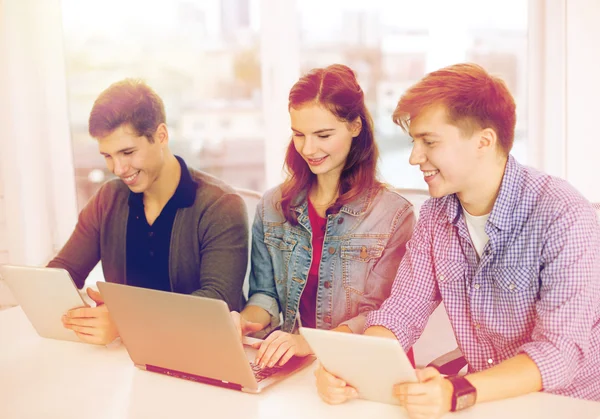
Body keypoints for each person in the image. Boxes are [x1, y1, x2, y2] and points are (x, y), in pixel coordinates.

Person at [315, 63, 600, 416]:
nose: (414, 157)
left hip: (565, 405)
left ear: (484, 141)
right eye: (414, 141)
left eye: (429, 142)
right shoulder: (436, 215)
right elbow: (401, 314)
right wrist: (352, 370)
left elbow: (559, 354)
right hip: (479, 401)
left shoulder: (563, 214)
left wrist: (459, 389)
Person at [231, 64, 416, 369]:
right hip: (299, 366)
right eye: (299, 134)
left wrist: (310, 343)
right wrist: (245, 322)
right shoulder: (272, 206)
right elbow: (265, 295)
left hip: (366, 367)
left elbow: (380, 316)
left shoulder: (394, 216)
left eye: (323, 135)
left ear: (355, 126)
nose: (308, 148)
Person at [51, 79, 249, 345]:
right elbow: (63, 272)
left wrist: (125, 321)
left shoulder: (220, 205)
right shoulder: (108, 199)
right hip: (131, 357)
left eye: (128, 152)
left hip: (201, 352)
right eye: (107, 156)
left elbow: (217, 301)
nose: (118, 169)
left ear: (161, 136)